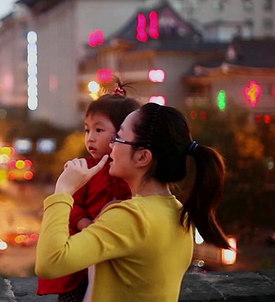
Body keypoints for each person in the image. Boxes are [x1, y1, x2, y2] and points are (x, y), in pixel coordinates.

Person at [35, 102, 231, 302]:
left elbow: (50, 263)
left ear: (142, 156)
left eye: (118, 138)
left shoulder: (130, 216)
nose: (111, 145)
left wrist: (63, 190)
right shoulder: (180, 213)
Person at [37, 84, 140, 301]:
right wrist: (85, 223)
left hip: (117, 252)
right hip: (82, 256)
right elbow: (71, 204)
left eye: (99, 130)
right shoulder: (82, 169)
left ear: (123, 133)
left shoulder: (133, 171)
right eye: (87, 129)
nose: (90, 137)